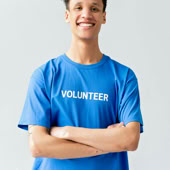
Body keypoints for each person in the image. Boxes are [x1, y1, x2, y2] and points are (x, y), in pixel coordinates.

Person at [18, 0, 144, 169]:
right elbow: (39, 146)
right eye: (78, 7)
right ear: (67, 15)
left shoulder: (123, 77)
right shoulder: (45, 76)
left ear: (104, 16)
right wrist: (108, 142)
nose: (86, 14)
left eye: (94, 8)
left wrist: (66, 132)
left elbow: (129, 140)